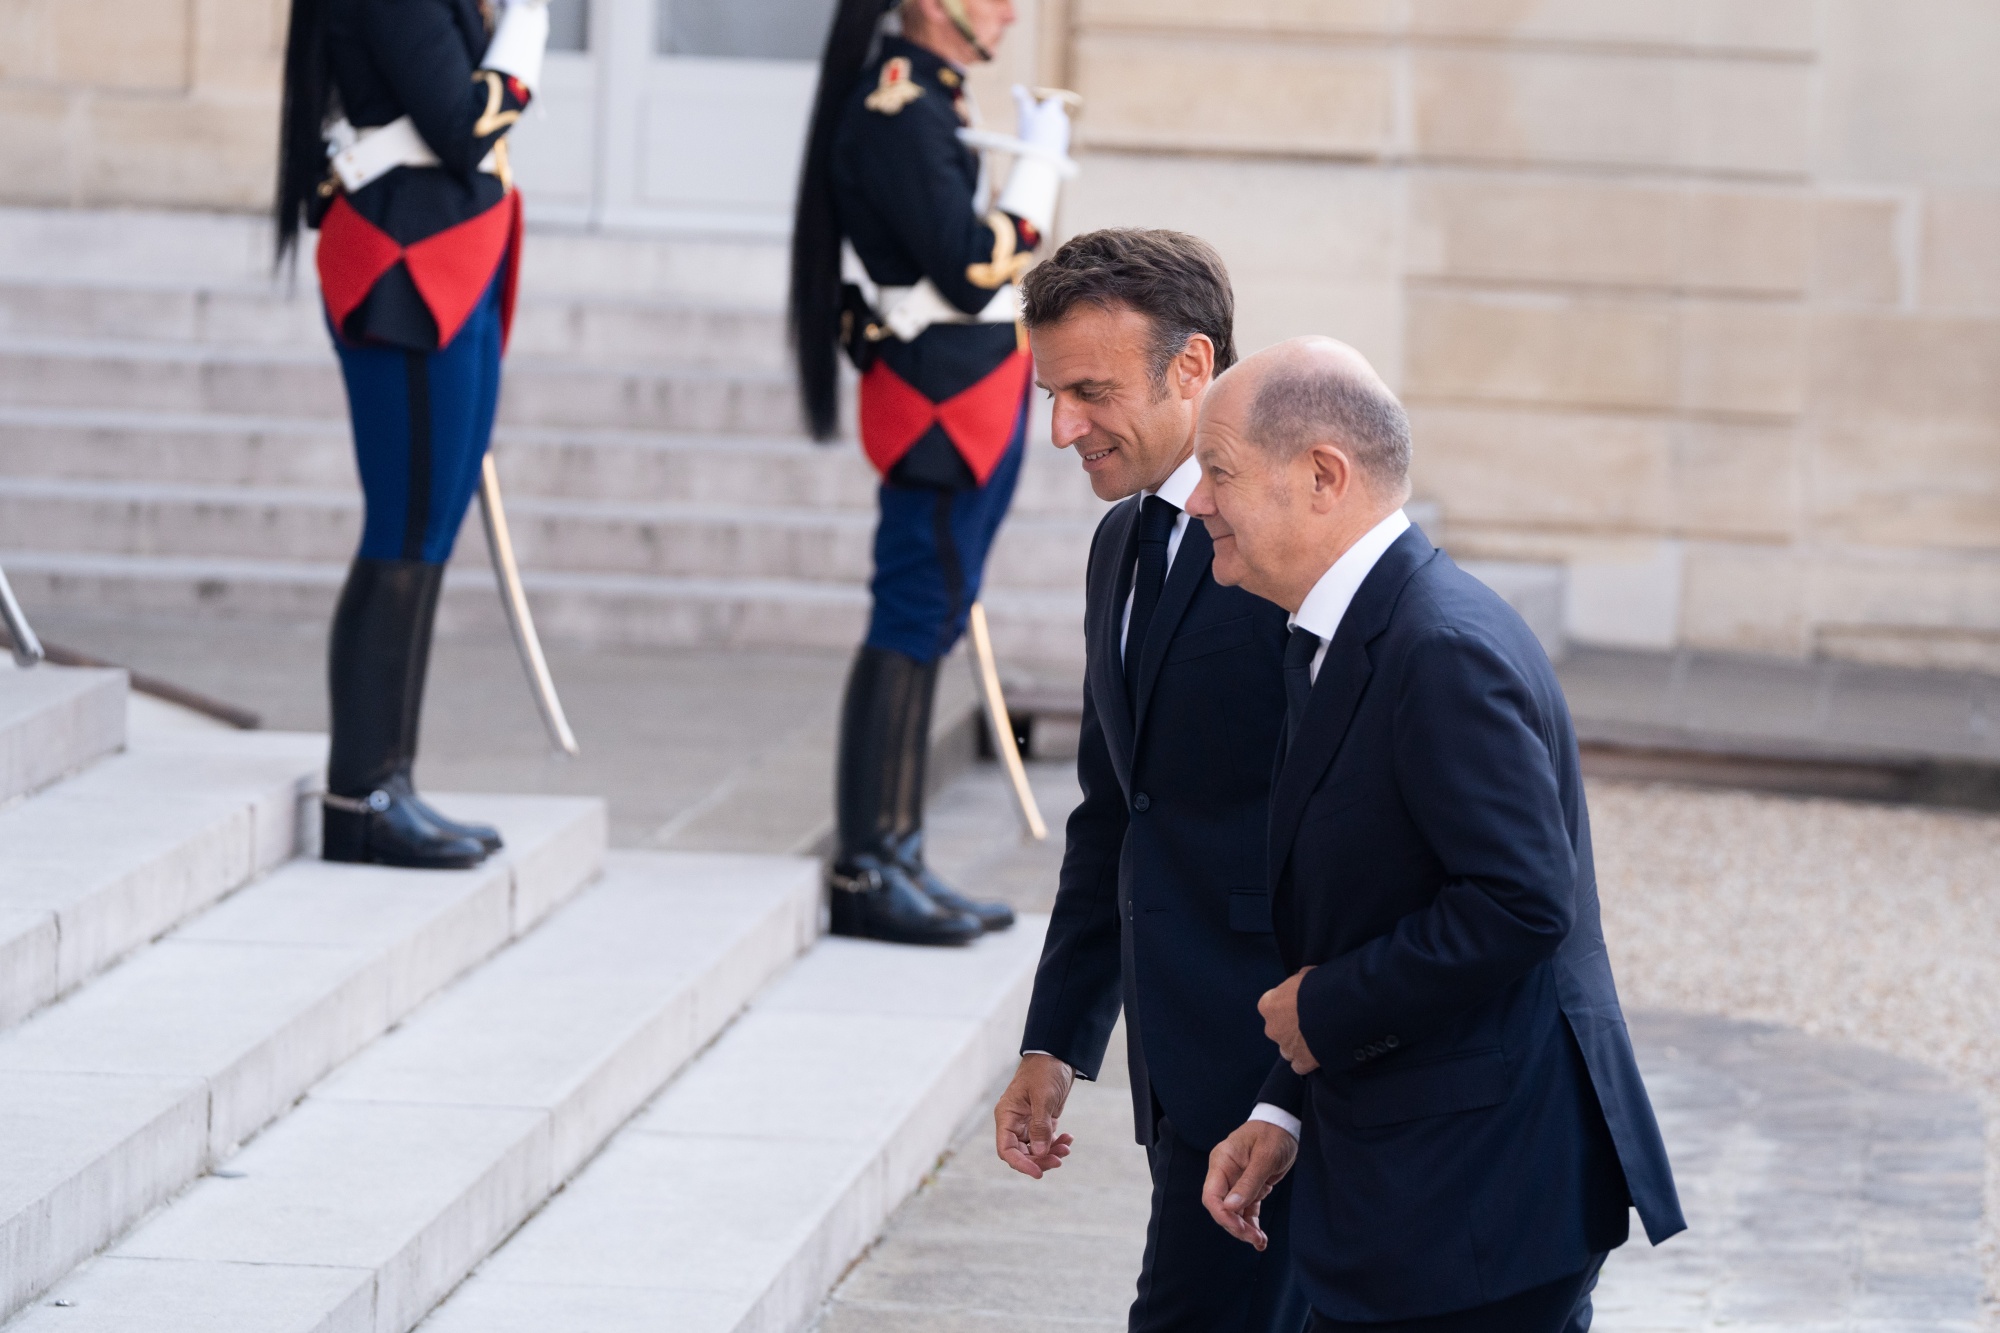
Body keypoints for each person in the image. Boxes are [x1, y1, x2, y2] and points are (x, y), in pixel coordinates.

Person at [1188, 340, 1685, 1331]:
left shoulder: (1439, 647)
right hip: (1427, 1188)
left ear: (1323, 476)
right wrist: (1282, 1104)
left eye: (1219, 471)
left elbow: (1519, 902)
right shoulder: (1348, 632)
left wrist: (1325, 1011)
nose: (1197, 501)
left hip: (1479, 1207)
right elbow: (1371, 906)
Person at [991, 229, 1307, 1333]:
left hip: (1288, 1072)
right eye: (1052, 394)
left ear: (1191, 368)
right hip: (1179, 1065)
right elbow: (1117, 813)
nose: (1060, 428)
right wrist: (1056, 1038)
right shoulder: (1121, 541)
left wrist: (1290, 1093)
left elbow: (1358, 840)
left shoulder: (1293, 549)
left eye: (1090, 392)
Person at [791, 0, 1075, 945]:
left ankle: (899, 850)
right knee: (911, 616)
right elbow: (967, 268)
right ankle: (868, 864)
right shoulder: (899, 108)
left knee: (934, 615)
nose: (1009, 11)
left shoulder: (931, 101)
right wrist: (1037, 175)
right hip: (938, 407)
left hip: (964, 396)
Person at [275, 0, 552, 868]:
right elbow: (462, 126)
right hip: (407, 263)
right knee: (402, 531)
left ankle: (391, 777)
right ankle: (363, 793)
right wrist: (529, 26)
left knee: (426, 533)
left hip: (454, 251)